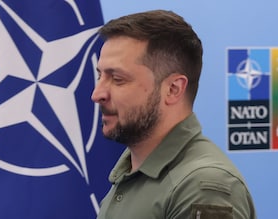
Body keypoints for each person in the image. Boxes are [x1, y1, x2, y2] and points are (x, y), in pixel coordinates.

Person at [91, 10, 256, 219]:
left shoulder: (202, 187)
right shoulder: (129, 175)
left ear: (173, 89)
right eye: (100, 75)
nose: (97, 94)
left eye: (117, 79)